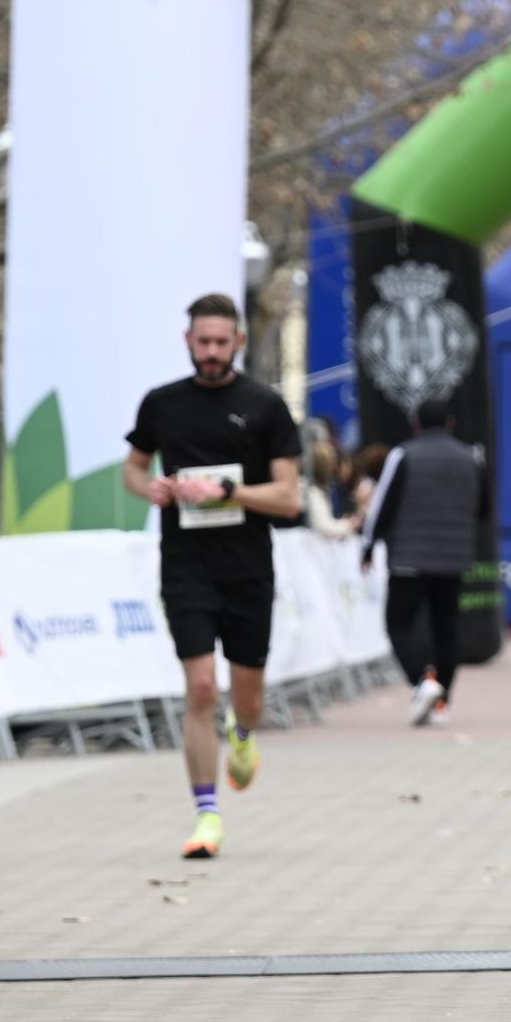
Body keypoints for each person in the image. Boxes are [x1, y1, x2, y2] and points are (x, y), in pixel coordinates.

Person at [123, 294, 303, 860]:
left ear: (240, 342)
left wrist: (228, 492)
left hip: (247, 568)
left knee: (246, 699)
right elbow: (133, 465)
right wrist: (146, 487)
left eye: (222, 343)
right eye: (202, 343)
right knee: (201, 687)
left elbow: (290, 498)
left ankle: (243, 738)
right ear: (187, 341)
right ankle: (207, 814)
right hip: (186, 566)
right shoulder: (162, 403)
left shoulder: (266, 405)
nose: (211, 353)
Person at [360, 397, 485, 726]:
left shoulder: (404, 454)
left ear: (416, 425)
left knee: (398, 623)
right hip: (454, 558)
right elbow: (483, 507)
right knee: (446, 630)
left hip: (409, 559)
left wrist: (368, 546)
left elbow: (382, 504)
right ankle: (442, 702)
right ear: (450, 424)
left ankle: (422, 681)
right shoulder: (469, 458)